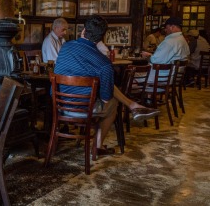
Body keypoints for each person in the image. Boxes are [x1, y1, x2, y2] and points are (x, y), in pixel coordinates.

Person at [54, 15, 160, 155]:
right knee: (113, 103)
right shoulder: (104, 64)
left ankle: (133, 106)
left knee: (105, 86)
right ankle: (97, 146)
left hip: (59, 106)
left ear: (83, 31)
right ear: (101, 39)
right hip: (83, 109)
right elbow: (105, 99)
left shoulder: (66, 47)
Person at [141, 17, 190, 82]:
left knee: (130, 77)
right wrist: (152, 55)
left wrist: (147, 56)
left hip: (160, 78)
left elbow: (155, 61)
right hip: (174, 78)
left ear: (172, 27)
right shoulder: (182, 40)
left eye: (166, 28)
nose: (165, 30)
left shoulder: (170, 41)